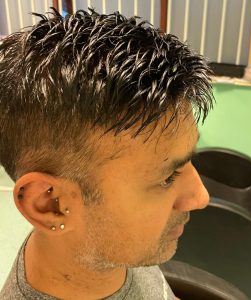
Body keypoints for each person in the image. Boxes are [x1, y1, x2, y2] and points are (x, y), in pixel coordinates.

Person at [0, 8, 213, 300]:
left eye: (188, 157)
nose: (201, 197)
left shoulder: (104, 248)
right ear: (50, 203)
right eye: (167, 178)